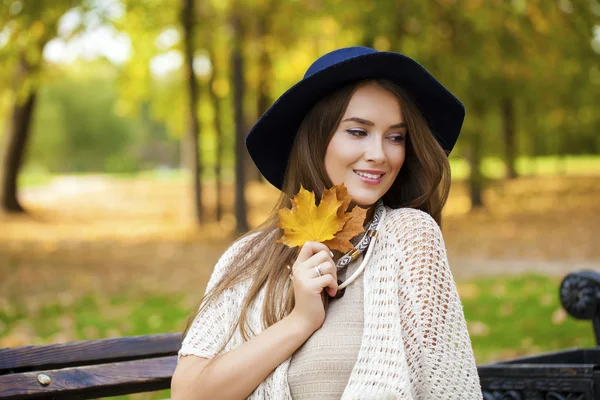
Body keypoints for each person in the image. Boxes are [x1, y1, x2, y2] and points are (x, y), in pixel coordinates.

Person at [171, 46, 482, 399]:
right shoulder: (247, 257)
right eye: (357, 132)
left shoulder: (410, 238)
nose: (379, 154)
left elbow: (441, 387)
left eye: (396, 137)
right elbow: (189, 394)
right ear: (316, 138)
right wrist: (300, 321)